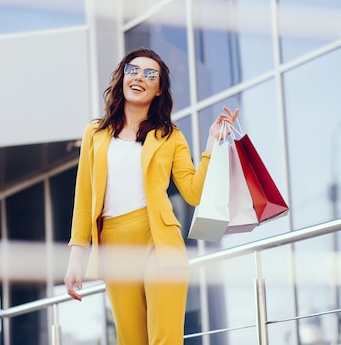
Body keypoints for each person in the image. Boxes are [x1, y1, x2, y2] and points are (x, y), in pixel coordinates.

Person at [64, 47, 238, 345]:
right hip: (115, 245)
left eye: (150, 74)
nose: (139, 78)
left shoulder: (170, 135)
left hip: (161, 241)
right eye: (133, 70)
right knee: (131, 339)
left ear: (159, 90)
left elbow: (193, 193)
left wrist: (211, 144)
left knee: (165, 338)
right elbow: (84, 197)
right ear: (122, 78)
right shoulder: (95, 134)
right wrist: (76, 258)